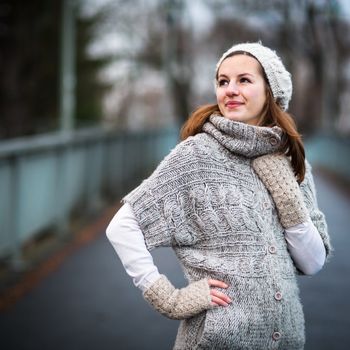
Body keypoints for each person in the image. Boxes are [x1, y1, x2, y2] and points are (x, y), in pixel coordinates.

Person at [106, 42, 332, 350]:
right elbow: (121, 227)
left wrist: (288, 197)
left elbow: (313, 262)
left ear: (271, 91)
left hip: (287, 340)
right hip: (217, 340)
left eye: (244, 80)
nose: (230, 90)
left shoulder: (291, 161)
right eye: (223, 81)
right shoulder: (196, 156)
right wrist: (168, 297)